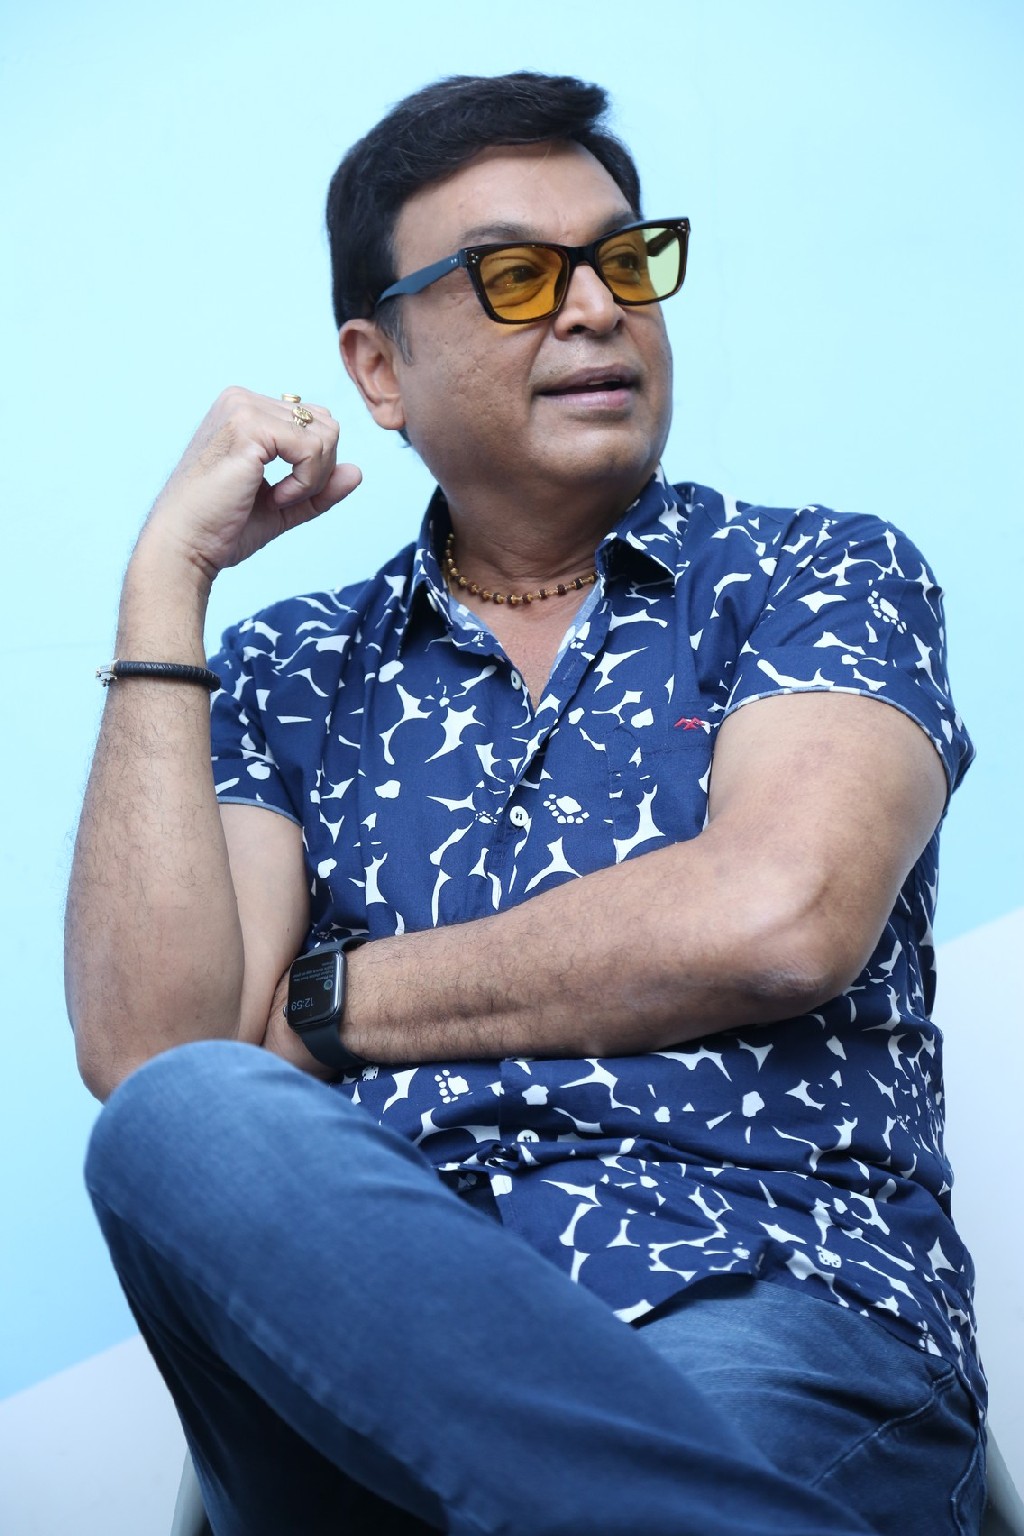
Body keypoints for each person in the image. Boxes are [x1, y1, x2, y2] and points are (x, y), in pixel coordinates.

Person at [67, 72, 986, 1535]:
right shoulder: (286, 673)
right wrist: (165, 579)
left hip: (752, 1293)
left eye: (625, 258)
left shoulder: (817, 575)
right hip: (365, 1368)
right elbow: (157, 1056)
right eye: (516, 276)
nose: (598, 308)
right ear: (378, 369)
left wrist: (324, 1004)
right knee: (179, 1116)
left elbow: (779, 918)